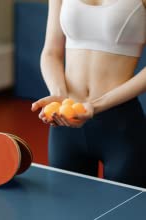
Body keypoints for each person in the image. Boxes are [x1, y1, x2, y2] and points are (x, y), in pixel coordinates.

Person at [31, 0, 146, 188]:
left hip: (121, 127)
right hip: (65, 122)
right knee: (67, 213)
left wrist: (95, 105)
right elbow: (51, 52)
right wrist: (59, 95)